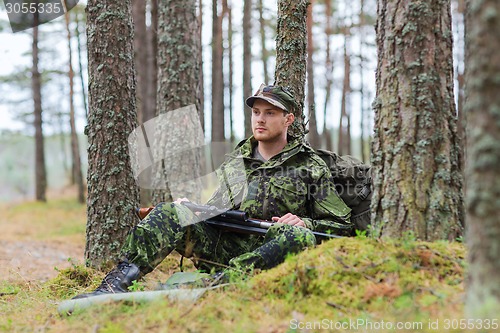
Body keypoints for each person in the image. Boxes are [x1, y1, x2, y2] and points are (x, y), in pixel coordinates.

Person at [74, 84, 353, 298]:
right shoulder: (236, 160)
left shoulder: (310, 165)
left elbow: (341, 225)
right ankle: (115, 285)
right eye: (256, 112)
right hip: (225, 247)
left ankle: (219, 285)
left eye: (270, 113)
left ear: (288, 119)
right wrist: (193, 209)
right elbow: (219, 208)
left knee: (298, 235)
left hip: (272, 251)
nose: (260, 120)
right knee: (171, 211)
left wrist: (304, 221)